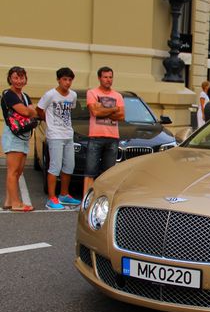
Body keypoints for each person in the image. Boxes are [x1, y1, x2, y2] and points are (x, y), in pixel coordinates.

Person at [36, 67, 81, 210]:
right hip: (55, 135)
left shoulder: (72, 95)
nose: (67, 83)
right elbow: (39, 109)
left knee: (69, 166)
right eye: (64, 79)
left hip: (68, 134)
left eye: (70, 80)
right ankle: (51, 198)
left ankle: (64, 194)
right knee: (55, 167)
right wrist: (49, 121)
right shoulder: (50, 94)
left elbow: (71, 109)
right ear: (58, 80)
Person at [83, 66, 125, 195]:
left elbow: (121, 116)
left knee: (109, 174)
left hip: (112, 138)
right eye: (105, 77)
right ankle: (86, 200)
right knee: (90, 171)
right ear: (99, 78)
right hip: (95, 137)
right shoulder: (92, 93)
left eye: (110, 77)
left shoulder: (117, 95)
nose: (108, 80)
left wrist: (103, 109)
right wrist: (113, 109)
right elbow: (95, 111)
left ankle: (104, 200)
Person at [1, 66, 37, 212]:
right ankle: (16, 203)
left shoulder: (25, 96)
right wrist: (29, 111)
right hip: (13, 135)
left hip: (23, 135)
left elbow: (31, 112)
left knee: (19, 170)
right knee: (13, 170)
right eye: (16, 77)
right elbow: (25, 111)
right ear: (10, 78)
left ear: (25, 79)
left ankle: (9, 201)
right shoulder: (9, 94)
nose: (19, 80)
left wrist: (30, 111)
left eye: (21, 77)